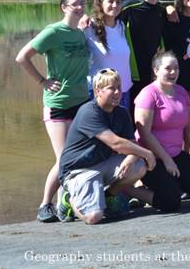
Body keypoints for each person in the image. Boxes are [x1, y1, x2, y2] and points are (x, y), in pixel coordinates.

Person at [15, 0, 90, 222]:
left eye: (82, 3)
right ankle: (44, 204)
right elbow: (22, 57)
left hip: (81, 102)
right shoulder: (53, 32)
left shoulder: (80, 32)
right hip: (58, 102)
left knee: (77, 156)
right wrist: (42, 81)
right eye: (74, 4)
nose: (79, 7)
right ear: (63, 7)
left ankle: (63, 205)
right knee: (64, 158)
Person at [56, 69, 155, 224]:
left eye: (119, 88)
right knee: (94, 217)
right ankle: (68, 199)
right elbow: (115, 142)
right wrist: (147, 153)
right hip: (79, 170)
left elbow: (132, 144)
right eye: (111, 88)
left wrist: (132, 157)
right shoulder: (88, 111)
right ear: (98, 91)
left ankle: (109, 196)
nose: (117, 92)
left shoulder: (121, 113)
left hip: (103, 165)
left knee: (139, 166)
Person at [132, 51, 190, 212]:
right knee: (171, 202)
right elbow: (144, 133)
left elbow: (188, 126)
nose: (173, 72)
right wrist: (166, 160)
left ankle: (169, 184)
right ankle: (129, 190)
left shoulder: (181, 92)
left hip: (176, 155)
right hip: (151, 158)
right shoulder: (148, 94)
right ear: (156, 70)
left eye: (176, 68)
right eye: (168, 69)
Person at [121, 0, 168, 111]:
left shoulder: (162, 11)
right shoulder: (128, 8)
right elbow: (104, 19)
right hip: (132, 77)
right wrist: (85, 19)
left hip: (155, 76)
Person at [84, 0, 132, 110]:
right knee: (101, 129)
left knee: (121, 129)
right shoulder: (90, 27)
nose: (115, 5)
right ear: (101, 4)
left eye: (118, 2)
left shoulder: (121, 26)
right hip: (101, 94)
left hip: (123, 91)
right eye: (110, 1)